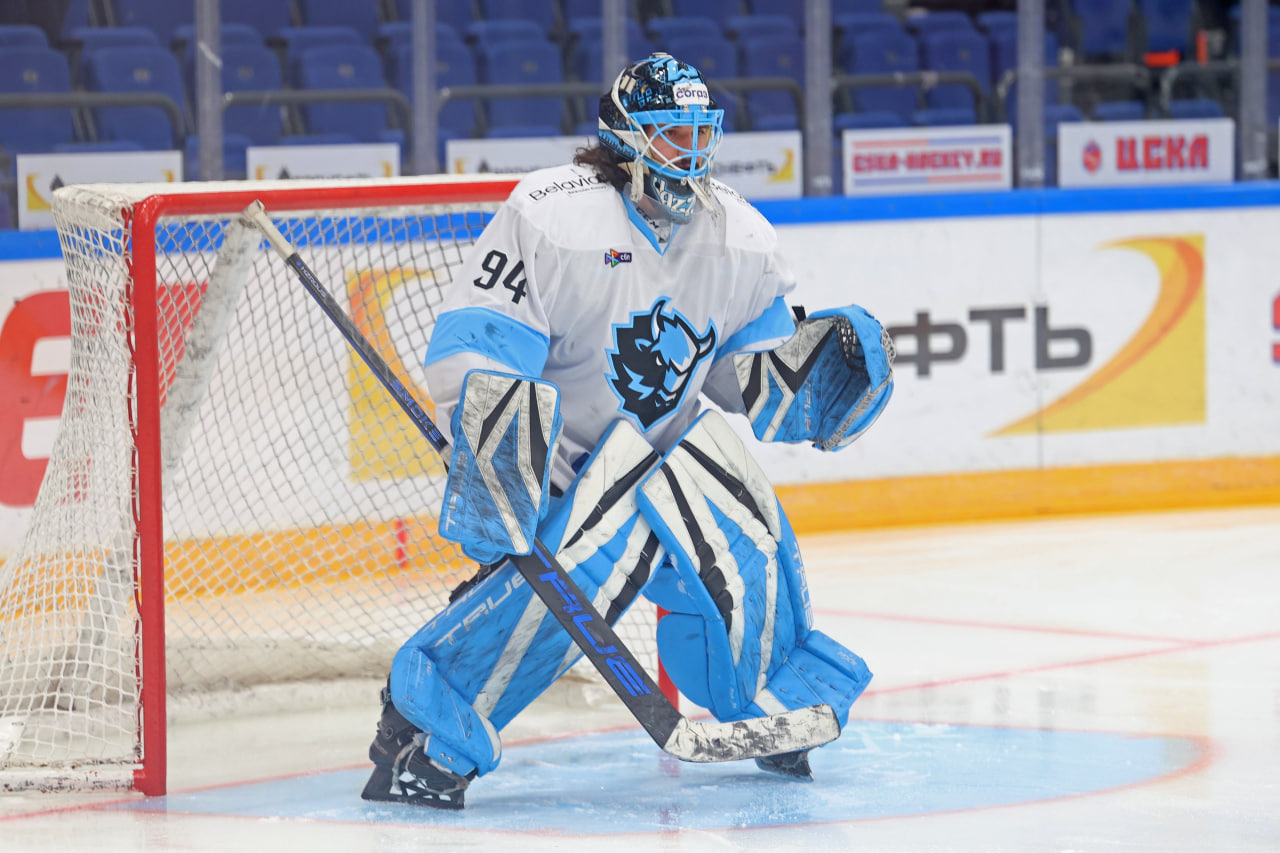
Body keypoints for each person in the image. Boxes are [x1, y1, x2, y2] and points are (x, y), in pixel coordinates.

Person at [360, 52, 895, 809]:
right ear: (625, 138)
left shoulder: (738, 235)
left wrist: (803, 379)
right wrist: (496, 449)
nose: (692, 152)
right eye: (673, 134)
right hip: (564, 467)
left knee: (748, 525)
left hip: (667, 451)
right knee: (558, 589)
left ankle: (778, 699)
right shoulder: (553, 214)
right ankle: (429, 730)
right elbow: (481, 338)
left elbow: (742, 373)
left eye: (700, 133)